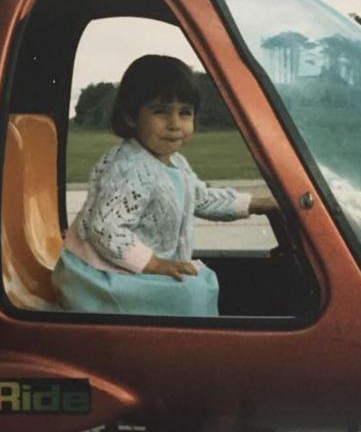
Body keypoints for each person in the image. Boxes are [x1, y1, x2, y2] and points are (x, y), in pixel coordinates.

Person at [52, 55, 277, 316]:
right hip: (98, 275)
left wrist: (258, 204)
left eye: (185, 113)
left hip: (126, 267)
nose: (174, 124)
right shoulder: (131, 165)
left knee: (193, 285)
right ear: (130, 116)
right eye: (160, 111)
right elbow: (105, 228)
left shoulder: (176, 162)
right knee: (193, 292)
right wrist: (153, 263)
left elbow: (201, 197)